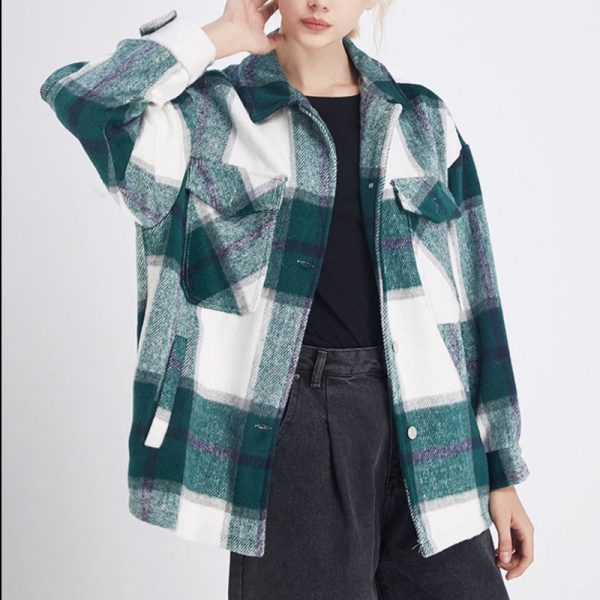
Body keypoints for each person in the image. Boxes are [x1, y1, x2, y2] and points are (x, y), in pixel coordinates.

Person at [40, 1, 534, 598]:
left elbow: (478, 301)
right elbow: (84, 101)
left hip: (431, 426)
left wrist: (501, 469)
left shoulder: (425, 121)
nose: (320, 2)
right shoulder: (207, 114)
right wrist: (219, 36)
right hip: (292, 428)